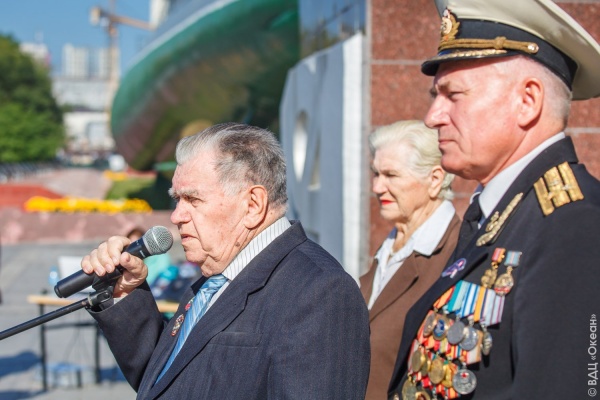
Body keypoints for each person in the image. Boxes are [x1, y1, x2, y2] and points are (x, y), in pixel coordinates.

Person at [388, 1, 600, 399]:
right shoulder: (503, 212)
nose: (432, 117)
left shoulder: (573, 225)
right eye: (435, 95)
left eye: (453, 95)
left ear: (527, 101)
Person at [80, 122, 371, 399]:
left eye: (193, 200)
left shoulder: (320, 292)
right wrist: (126, 292)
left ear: (253, 205)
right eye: (177, 199)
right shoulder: (215, 276)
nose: (177, 216)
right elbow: (165, 381)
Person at [359, 120, 460, 400]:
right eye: (376, 173)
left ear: (435, 179)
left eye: (391, 175)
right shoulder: (393, 244)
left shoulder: (455, 252)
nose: (378, 186)